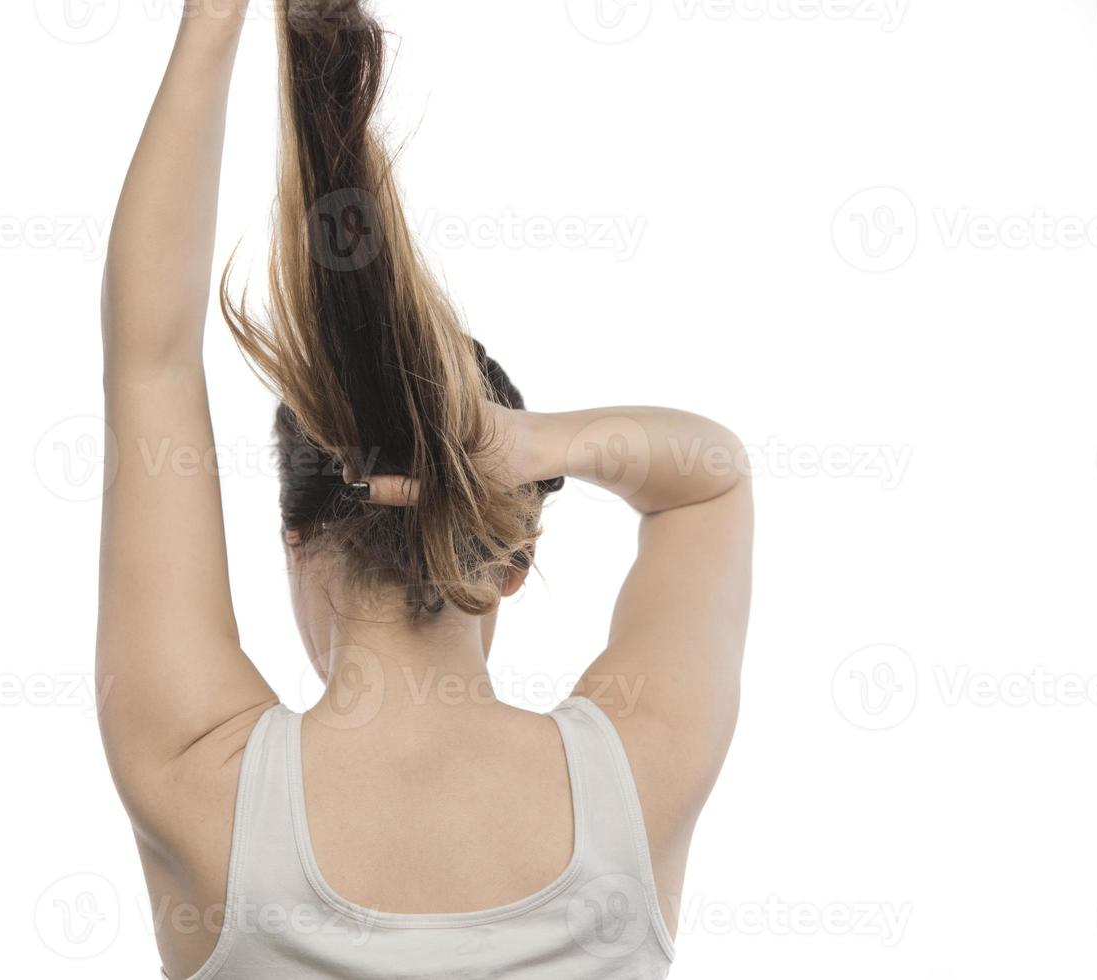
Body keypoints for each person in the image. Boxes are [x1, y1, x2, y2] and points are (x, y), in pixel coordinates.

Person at [95, 2, 753, 976]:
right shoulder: (635, 776)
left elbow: (147, 361)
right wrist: (522, 442)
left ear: (296, 539)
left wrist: (214, 21)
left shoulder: (200, 776)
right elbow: (710, 481)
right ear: (512, 559)